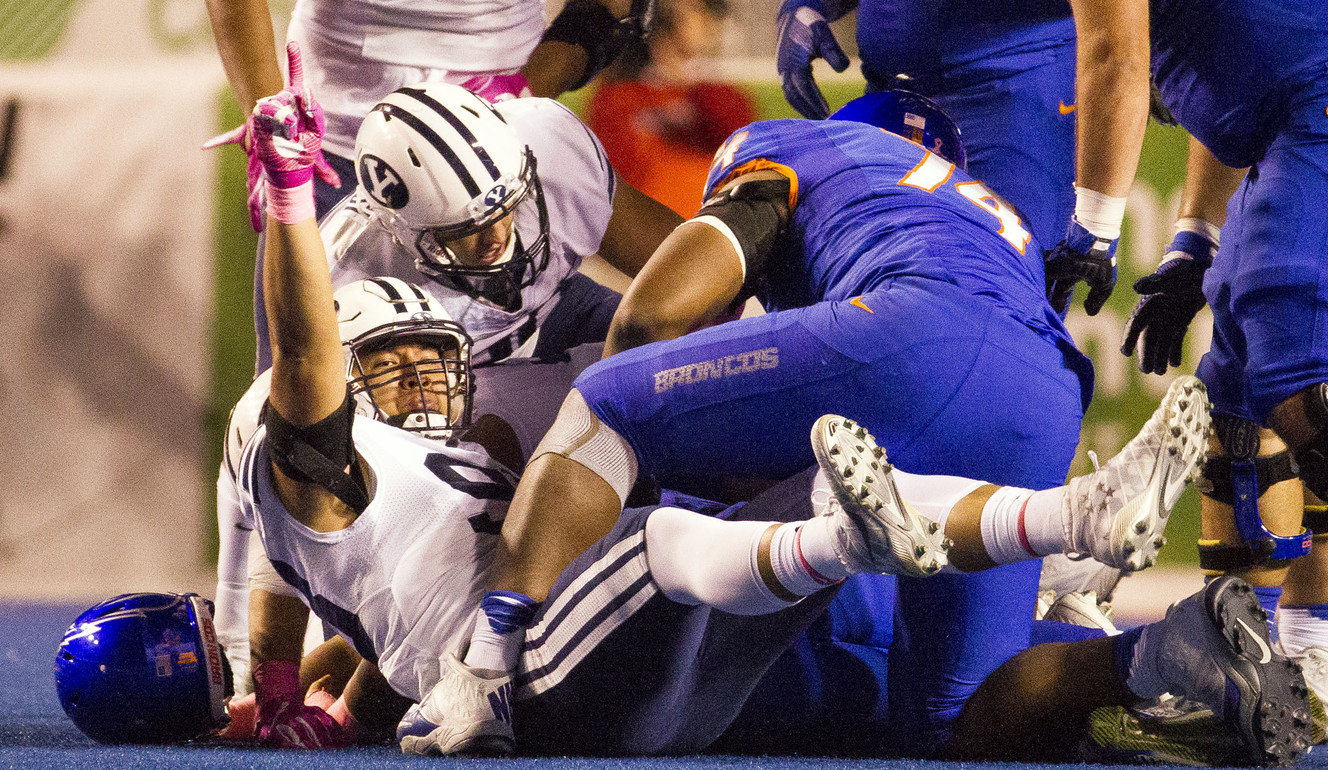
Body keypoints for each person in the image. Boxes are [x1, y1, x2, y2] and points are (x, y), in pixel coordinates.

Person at [219, 64, 1315, 764]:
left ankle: (1060, 533)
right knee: (939, 714)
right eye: (394, 362)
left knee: (617, 404)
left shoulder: (779, 152)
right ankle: (1144, 645)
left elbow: (651, 324)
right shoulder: (957, 204)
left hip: (894, 350)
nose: (424, 374)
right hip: (1031, 383)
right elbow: (342, 468)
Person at [1100, 0, 1328, 735]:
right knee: (1234, 409)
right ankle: (1272, 661)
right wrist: (1194, 238)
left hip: (1315, 112)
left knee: (1295, 368)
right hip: (1285, 131)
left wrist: (1093, 226)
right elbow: (1241, 95)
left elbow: (1116, 61)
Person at [203, 0, 657, 227]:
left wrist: (524, 86)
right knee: (313, 386)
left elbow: (613, 8)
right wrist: (270, 113)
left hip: (508, 133)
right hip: (336, 144)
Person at [587, 0, 756, 216]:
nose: (706, 17)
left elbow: (740, 156)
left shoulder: (721, 96)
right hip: (651, 233)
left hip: (708, 230)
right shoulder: (618, 99)